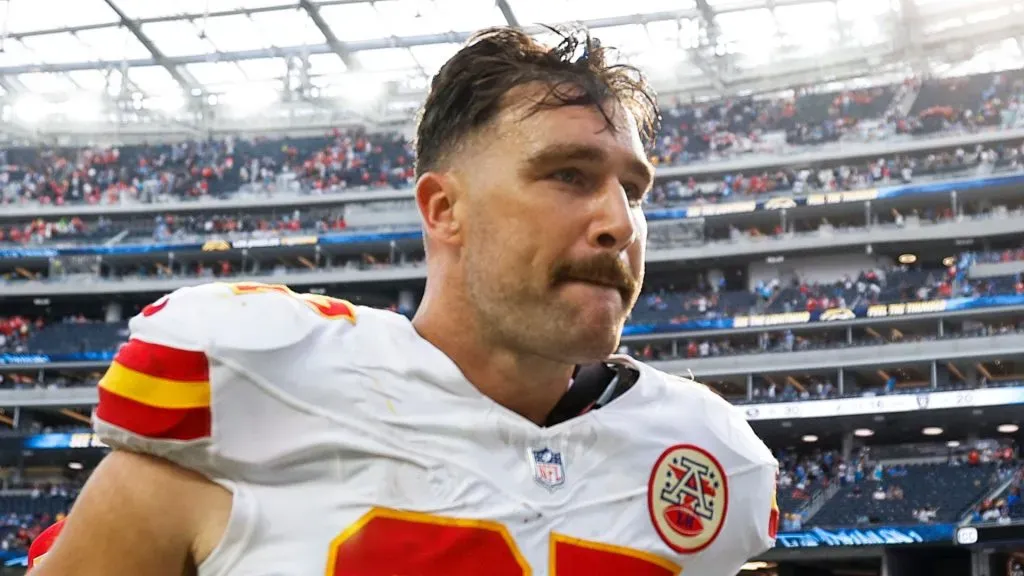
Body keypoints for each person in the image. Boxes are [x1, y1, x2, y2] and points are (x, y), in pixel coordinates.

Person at [33, 26, 778, 576]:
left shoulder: (709, 457)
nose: (620, 222)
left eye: (634, 189)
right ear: (444, 208)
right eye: (568, 175)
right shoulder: (247, 392)